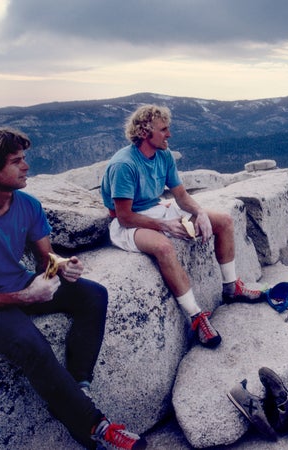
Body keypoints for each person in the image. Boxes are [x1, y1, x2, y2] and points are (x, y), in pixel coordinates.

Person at [0, 128, 146, 450]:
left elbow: (45, 256)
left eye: (24, 159)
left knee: (93, 295)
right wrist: (25, 297)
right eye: (16, 161)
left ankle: (76, 390)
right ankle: (94, 426)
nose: (26, 166)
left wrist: (61, 265)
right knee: (28, 341)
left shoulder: (26, 204)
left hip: (14, 283)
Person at [100, 104, 264, 348]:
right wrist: (163, 226)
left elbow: (181, 196)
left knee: (224, 221)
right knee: (164, 248)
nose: (169, 134)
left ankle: (232, 287)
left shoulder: (163, 155)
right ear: (146, 132)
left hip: (157, 207)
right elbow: (124, 216)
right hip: (130, 220)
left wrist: (199, 212)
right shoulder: (125, 165)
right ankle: (197, 317)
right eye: (164, 129)